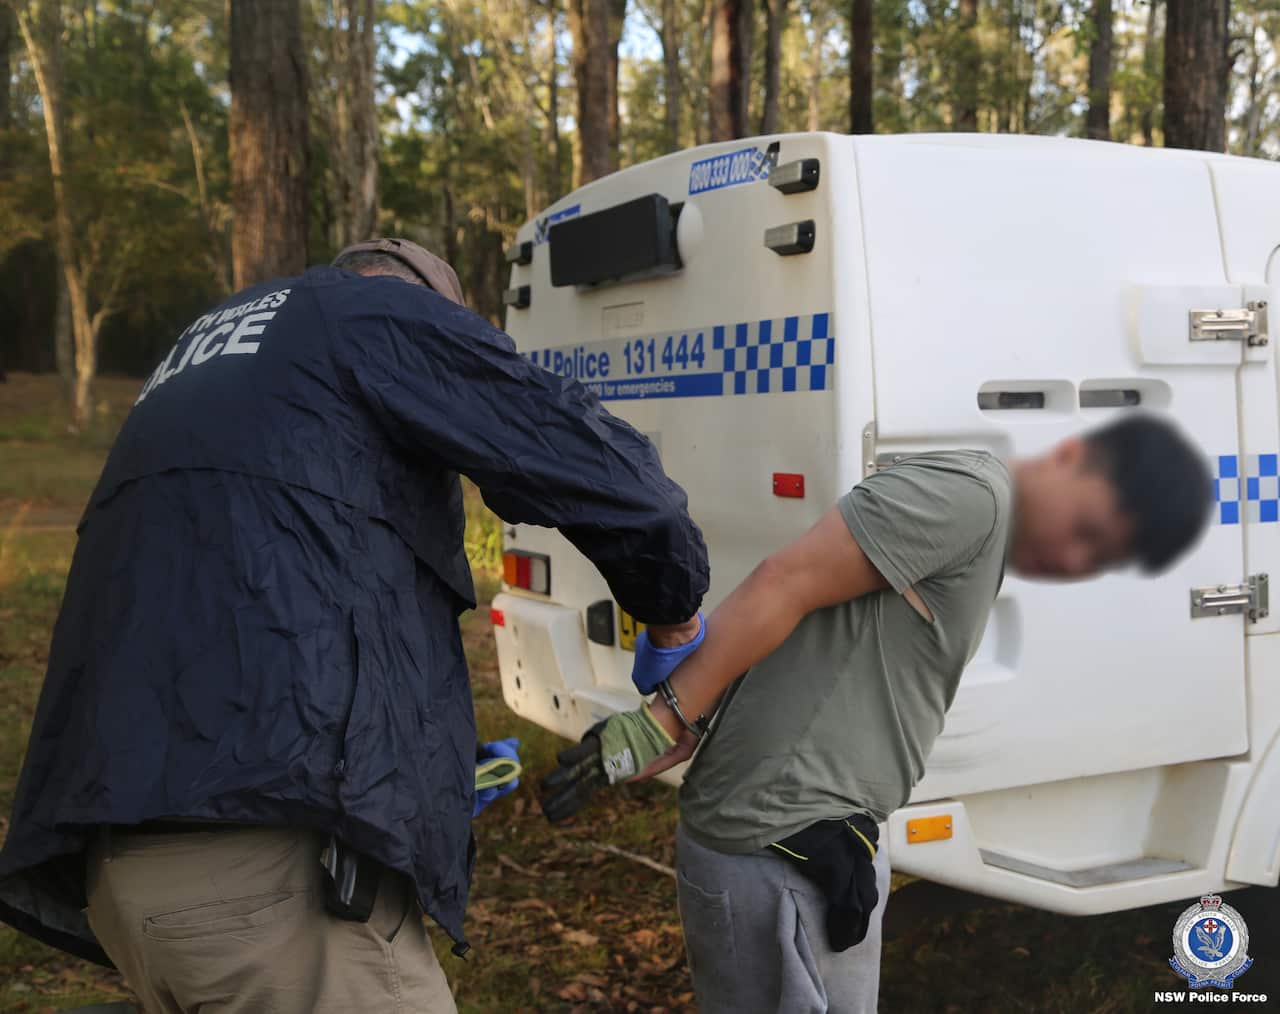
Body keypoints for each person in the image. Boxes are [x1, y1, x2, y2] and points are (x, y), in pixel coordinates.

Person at [0, 238, 707, 1013]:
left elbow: (243, 598)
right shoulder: (376, 316)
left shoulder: (210, 351)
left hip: (124, 869)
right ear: (424, 307)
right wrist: (675, 623)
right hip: (268, 882)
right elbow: (612, 476)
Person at [542, 415, 1211, 1013]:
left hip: (807, 838)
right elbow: (788, 580)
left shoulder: (986, 522)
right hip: (780, 844)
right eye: (1087, 531)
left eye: (1098, 560)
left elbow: (821, 637)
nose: (1072, 561)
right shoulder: (975, 498)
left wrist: (694, 719)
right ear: (1068, 456)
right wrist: (667, 715)